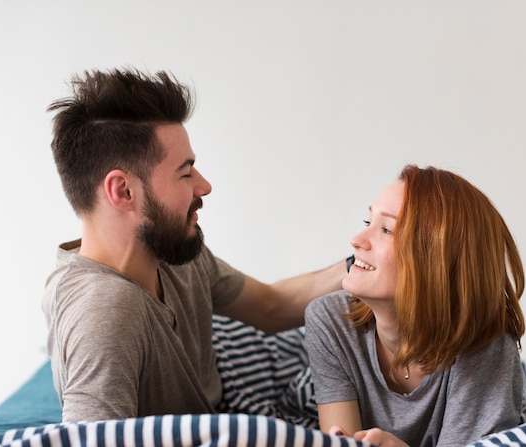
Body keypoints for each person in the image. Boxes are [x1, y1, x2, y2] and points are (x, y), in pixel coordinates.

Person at [42, 67, 347, 423]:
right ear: (123, 191)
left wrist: (365, 264)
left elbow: (269, 306)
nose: (204, 186)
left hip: (229, 380)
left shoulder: (170, 250)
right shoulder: (106, 313)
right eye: (185, 173)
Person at [305, 164, 526, 447]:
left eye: (386, 229)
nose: (356, 241)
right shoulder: (329, 320)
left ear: (437, 262)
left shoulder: (486, 348)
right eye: (367, 223)